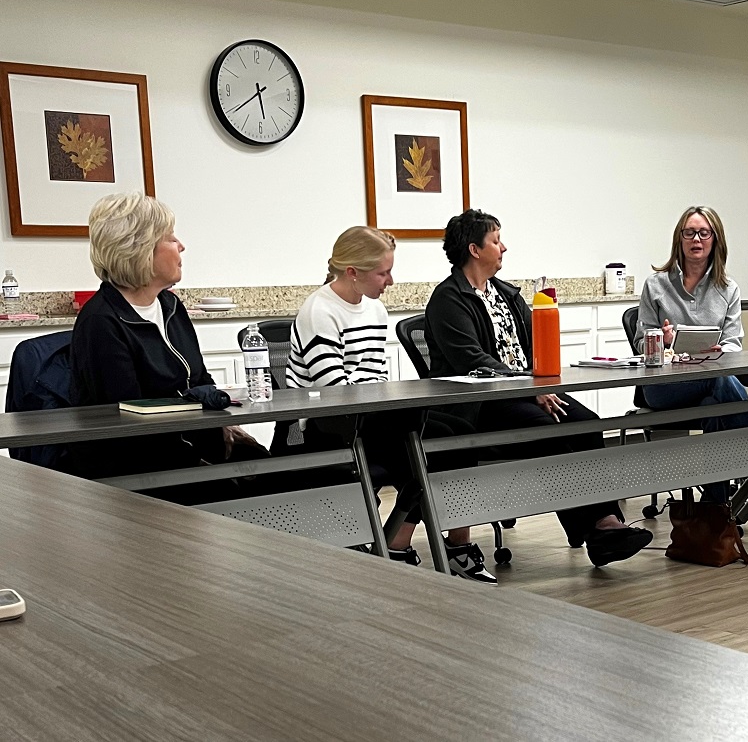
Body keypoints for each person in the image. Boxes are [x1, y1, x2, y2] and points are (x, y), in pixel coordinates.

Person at [423, 208, 653, 568]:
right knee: (548, 431)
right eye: (496, 241)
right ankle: (598, 528)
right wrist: (529, 389)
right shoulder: (448, 300)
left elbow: (535, 346)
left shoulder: (506, 294)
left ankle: (605, 523)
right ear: (474, 250)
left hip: (527, 389)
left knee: (587, 423)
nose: (504, 248)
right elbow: (473, 361)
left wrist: (540, 382)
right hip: (484, 403)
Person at [285, 226, 494, 583]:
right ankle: (400, 545)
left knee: (458, 435)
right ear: (353, 273)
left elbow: (375, 378)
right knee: (426, 448)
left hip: (369, 418)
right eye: (383, 272)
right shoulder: (319, 310)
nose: (391, 280)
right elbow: (334, 391)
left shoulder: (375, 311)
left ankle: (418, 544)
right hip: (325, 427)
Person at [70, 192, 266, 502]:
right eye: (170, 238)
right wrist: (197, 454)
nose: (181, 245)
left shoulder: (170, 305)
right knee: (240, 493)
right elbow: (131, 416)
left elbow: (201, 380)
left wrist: (223, 426)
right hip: (140, 465)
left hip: (192, 446)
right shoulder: (101, 321)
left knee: (277, 472)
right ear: (140, 249)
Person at [634, 205, 748, 501]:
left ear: (715, 240)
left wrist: (721, 352)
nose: (696, 240)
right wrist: (660, 341)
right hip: (663, 387)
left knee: (714, 402)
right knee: (716, 383)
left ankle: (714, 507)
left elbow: (733, 345)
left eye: (704, 233)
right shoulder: (655, 285)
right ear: (679, 238)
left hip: (711, 381)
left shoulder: (728, 289)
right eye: (689, 233)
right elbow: (642, 345)